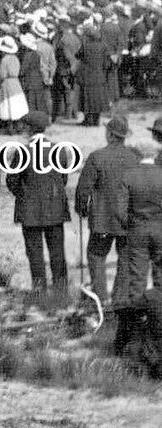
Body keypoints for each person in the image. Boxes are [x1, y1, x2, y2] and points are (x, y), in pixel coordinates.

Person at [6, 111, 72, 299]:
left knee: (34, 253)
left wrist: (25, 195)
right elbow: (63, 179)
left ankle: (39, 290)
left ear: (29, 128)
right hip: (55, 209)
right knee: (57, 252)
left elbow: (12, 181)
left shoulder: (23, 151)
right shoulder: (58, 150)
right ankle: (61, 290)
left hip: (30, 211)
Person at [75, 115, 140, 304]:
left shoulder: (97, 157)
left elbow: (83, 188)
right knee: (126, 257)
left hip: (102, 218)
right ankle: (119, 300)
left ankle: (100, 298)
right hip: (128, 218)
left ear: (110, 135)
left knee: (96, 255)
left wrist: (81, 209)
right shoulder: (134, 157)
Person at [112, 117, 162, 357]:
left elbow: (120, 211)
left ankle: (136, 327)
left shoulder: (129, 176)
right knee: (161, 275)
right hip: (161, 230)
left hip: (138, 231)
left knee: (137, 278)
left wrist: (131, 225)